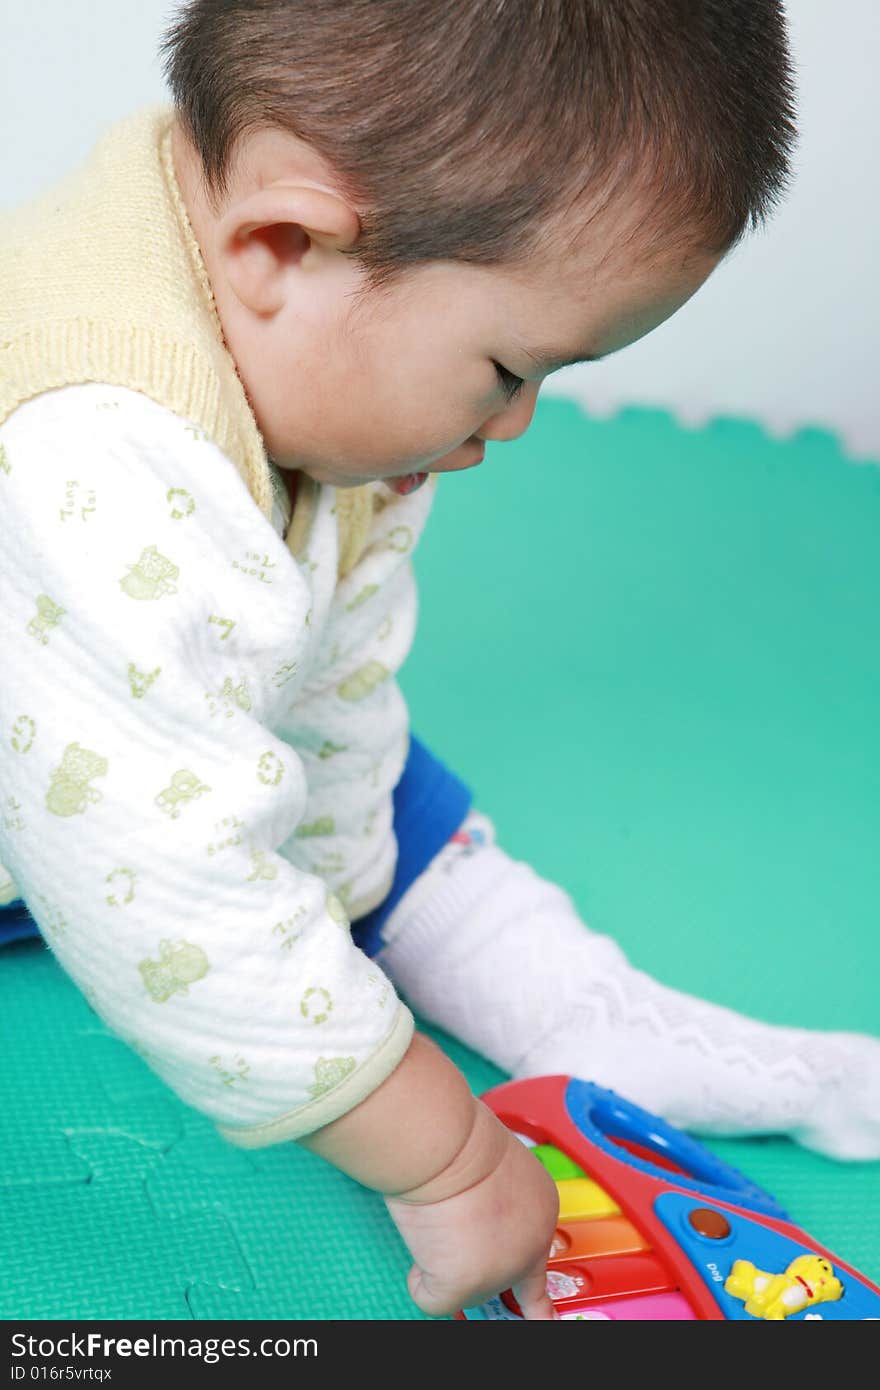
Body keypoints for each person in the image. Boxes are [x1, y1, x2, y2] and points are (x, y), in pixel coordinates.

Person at [1, 1, 876, 1321]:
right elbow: (163, 897)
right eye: (509, 368)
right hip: (58, 798)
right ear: (284, 243)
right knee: (198, 878)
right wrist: (446, 1153)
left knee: (370, 803)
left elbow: (332, 689)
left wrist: (348, 884)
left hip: (128, 729)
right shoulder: (103, 453)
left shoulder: (297, 308)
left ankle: (583, 1000)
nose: (515, 423)